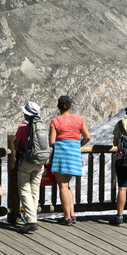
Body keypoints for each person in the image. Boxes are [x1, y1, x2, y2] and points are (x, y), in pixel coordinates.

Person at [49, 95, 90, 225]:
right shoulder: (78, 119)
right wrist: (78, 145)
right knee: (67, 185)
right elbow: (87, 136)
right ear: (70, 106)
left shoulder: (56, 121)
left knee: (63, 186)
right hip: (74, 154)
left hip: (61, 155)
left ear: (58, 107)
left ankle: (67, 217)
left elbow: (51, 141)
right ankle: (72, 214)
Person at [13, 102, 49, 233]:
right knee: (35, 190)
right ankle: (32, 217)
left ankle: (31, 221)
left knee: (24, 190)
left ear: (27, 114)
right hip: (40, 162)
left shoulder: (23, 128)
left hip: (27, 161)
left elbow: (16, 144)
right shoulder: (42, 126)